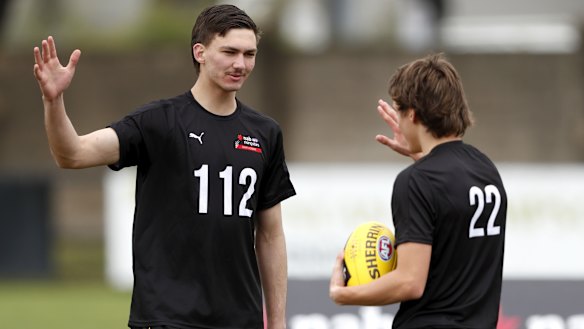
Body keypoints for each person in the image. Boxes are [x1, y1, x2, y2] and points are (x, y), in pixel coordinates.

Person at [33, 4, 295, 329]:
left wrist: (278, 321)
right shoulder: (158, 122)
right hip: (167, 318)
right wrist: (53, 101)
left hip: (240, 320)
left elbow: (270, 236)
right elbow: (71, 154)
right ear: (199, 52)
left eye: (249, 54)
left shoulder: (265, 132)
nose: (240, 64)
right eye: (229, 52)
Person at [329, 53, 507, 329]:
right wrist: (421, 155)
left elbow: (410, 282)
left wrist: (344, 294)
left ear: (411, 113)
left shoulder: (416, 182)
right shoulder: (485, 169)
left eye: (399, 111)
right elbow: (450, 201)